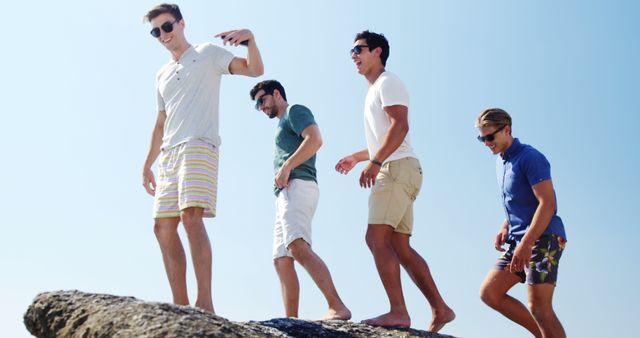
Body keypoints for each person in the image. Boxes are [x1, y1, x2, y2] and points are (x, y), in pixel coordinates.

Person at [141, 3, 263, 313]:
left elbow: (254, 70)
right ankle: (180, 305)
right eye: (156, 31)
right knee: (162, 227)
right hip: (169, 154)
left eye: (167, 26)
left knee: (190, 218)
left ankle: (205, 301)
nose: (163, 35)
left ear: (181, 23)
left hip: (199, 144)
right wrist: (147, 164)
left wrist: (250, 40)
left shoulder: (208, 53)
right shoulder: (161, 74)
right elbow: (160, 123)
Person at [335, 30, 455, 332]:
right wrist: (359, 156)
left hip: (396, 169)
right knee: (400, 246)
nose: (354, 56)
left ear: (377, 52)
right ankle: (440, 308)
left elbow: (400, 126)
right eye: (351, 51)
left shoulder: (388, 82)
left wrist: (376, 162)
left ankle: (398, 312)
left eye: (359, 49)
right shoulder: (375, 89)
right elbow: (386, 136)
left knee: (375, 239)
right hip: (404, 169)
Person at [249, 80, 351, 320]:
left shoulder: (294, 111)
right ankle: (291, 320)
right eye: (257, 106)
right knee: (281, 259)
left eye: (262, 100)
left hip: (299, 185)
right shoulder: (280, 125)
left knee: (298, 247)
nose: (261, 107)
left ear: (276, 93)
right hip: (284, 194)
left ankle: (337, 306)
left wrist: (286, 167)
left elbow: (315, 140)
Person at [476, 108, 567, 338]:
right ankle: (542, 334)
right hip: (519, 240)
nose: (486, 143)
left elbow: (547, 204)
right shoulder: (501, 162)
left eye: (489, 137)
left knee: (540, 308)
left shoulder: (530, 157)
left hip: (543, 237)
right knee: (490, 293)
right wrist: (505, 226)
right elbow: (519, 202)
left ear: (507, 130)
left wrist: (527, 243)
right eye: (481, 138)